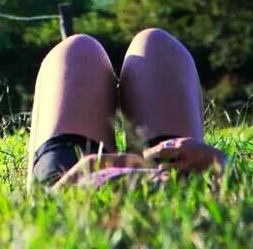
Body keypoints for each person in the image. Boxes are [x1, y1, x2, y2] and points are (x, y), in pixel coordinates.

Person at [27, 28, 228, 190]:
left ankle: (45, 190)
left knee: (76, 50)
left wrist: (61, 190)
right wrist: (225, 168)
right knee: (157, 45)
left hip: (71, 195)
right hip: (175, 187)